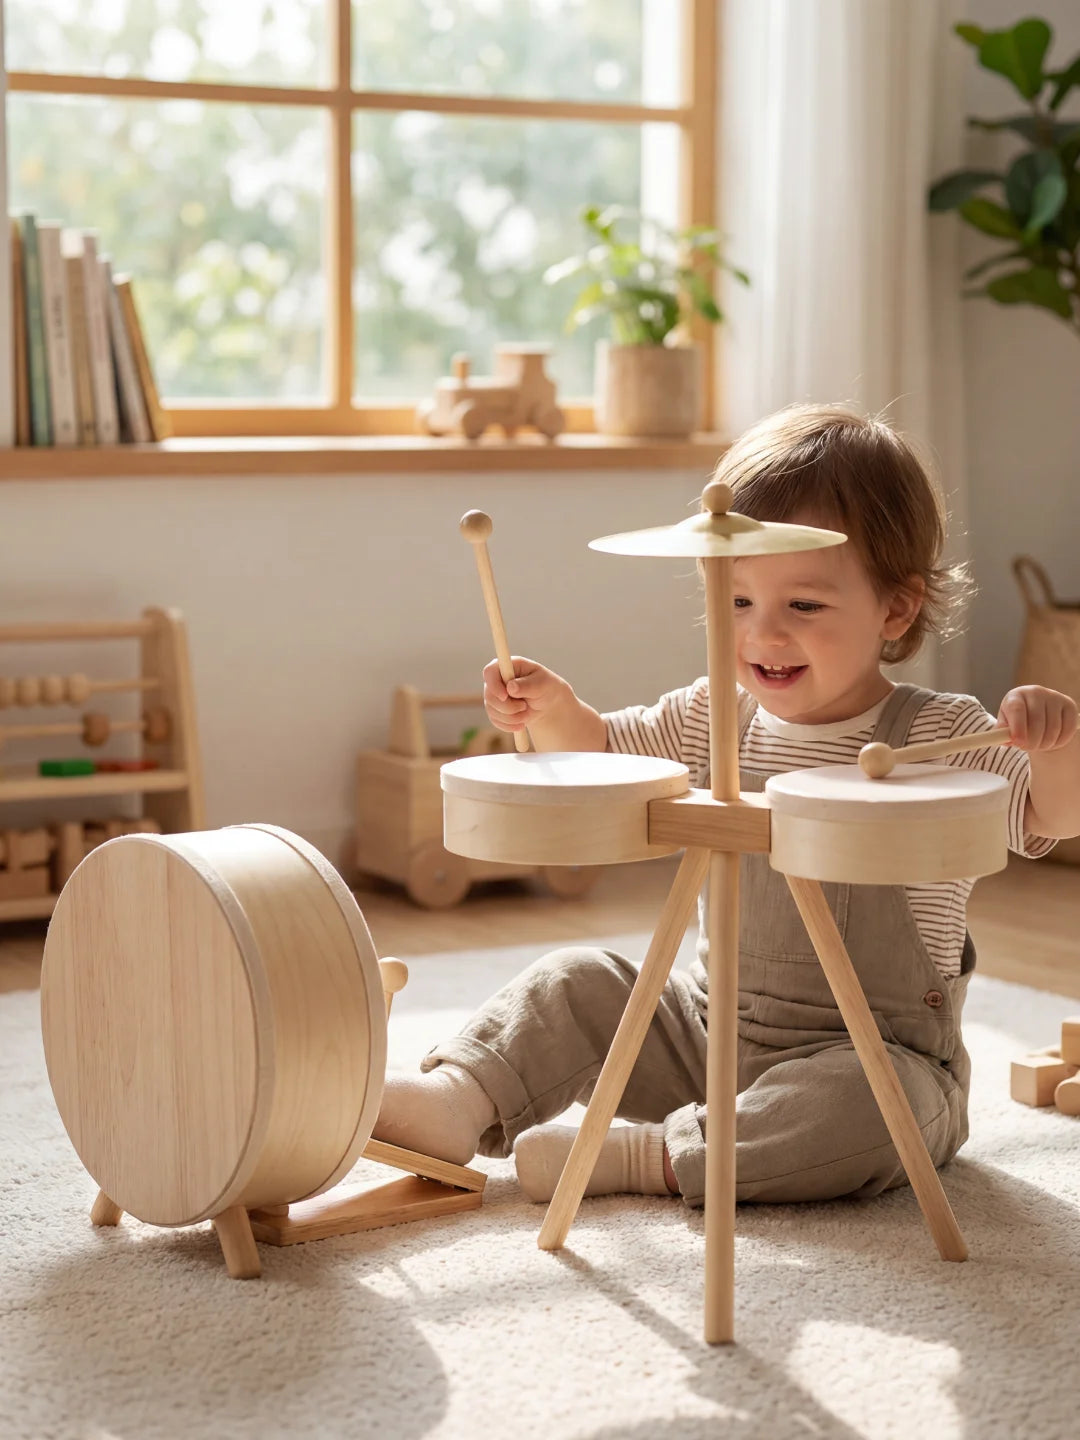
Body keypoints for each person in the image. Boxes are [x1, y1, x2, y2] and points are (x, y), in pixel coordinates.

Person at [373, 403, 1080, 1209]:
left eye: (804, 606)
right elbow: (602, 755)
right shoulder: (715, 714)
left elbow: (1052, 815)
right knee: (577, 981)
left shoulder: (941, 733)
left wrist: (1056, 746)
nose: (763, 634)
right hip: (705, 1033)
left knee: (880, 1111)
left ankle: (651, 1156)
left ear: (895, 608)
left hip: (875, 1055)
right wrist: (551, 712)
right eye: (739, 602)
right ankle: (459, 1098)